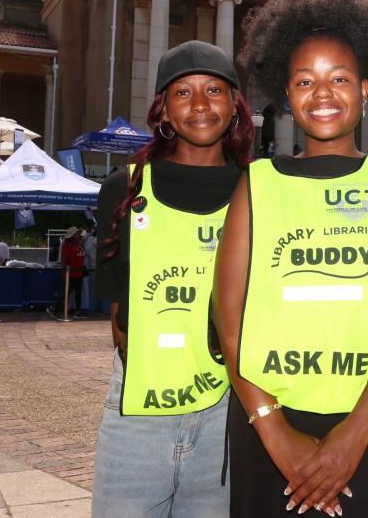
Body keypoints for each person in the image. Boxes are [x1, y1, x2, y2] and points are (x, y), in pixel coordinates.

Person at [215, 0, 368, 517]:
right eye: (304, 81)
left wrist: (353, 437)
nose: (323, 93)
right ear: (285, 95)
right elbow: (228, 316)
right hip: (267, 424)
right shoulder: (256, 182)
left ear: (364, 88)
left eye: (338, 79)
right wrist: (273, 429)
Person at [91, 40, 253, 516]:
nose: (200, 104)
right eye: (182, 92)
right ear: (164, 110)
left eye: (214, 91)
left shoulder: (261, 189)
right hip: (139, 411)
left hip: (230, 407)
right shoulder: (125, 188)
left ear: (235, 108)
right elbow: (119, 316)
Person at [50, 227, 84, 318]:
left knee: (78, 293)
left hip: (79, 273)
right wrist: (64, 273)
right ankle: (54, 308)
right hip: (70, 274)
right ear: (72, 236)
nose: (78, 235)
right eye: (77, 234)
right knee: (66, 293)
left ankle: (78, 311)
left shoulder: (78, 245)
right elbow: (63, 261)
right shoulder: (66, 246)